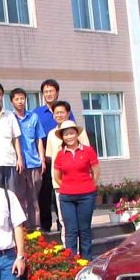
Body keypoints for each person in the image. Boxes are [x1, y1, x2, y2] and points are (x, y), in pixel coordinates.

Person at [53, 120, 99, 259]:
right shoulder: (60, 154)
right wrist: (68, 186)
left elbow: (96, 172)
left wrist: (89, 186)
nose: (69, 137)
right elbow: (57, 176)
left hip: (86, 195)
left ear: (77, 134)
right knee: (71, 231)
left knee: (84, 230)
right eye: (66, 134)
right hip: (67, 197)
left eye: (71, 133)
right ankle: (71, 264)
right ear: (62, 137)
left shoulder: (88, 151)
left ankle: (86, 262)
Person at [44, 101, 90, 238]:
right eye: (56, 113)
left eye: (62, 112)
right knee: (65, 220)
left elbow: (88, 155)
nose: (59, 115)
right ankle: (70, 253)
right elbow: (50, 157)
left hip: (80, 184)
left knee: (82, 220)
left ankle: (83, 253)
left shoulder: (79, 132)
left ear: (68, 113)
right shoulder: (52, 134)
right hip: (60, 184)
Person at [10, 88, 46, 229]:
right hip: (17, 164)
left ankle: (35, 228)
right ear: (11, 101)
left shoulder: (33, 117)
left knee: (33, 198)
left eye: (22, 98)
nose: (20, 101)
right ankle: (22, 228)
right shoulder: (9, 118)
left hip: (33, 162)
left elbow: (39, 140)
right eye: (17, 99)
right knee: (19, 197)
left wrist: (42, 159)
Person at [34, 81, 61, 232]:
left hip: (61, 159)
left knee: (60, 191)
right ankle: (45, 225)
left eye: (51, 91)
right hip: (45, 159)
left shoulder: (64, 110)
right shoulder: (37, 113)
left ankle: (62, 222)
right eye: (46, 91)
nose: (49, 94)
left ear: (57, 92)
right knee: (44, 193)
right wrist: (41, 157)